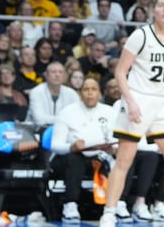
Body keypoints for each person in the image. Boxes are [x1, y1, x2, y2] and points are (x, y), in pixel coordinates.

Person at [100, 0, 164, 227]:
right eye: (160, 5)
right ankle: (109, 212)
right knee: (124, 160)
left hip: (162, 102)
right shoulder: (140, 35)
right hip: (138, 99)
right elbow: (120, 72)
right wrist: (129, 101)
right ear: (153, 10)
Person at [50, 76, 117, 222]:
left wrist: (114, 148)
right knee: (75, 159)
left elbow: (115, 139)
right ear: (80, 93)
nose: (90, 93)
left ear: (99, 93)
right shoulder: (67, 112)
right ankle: (70, 205)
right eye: (86, 89)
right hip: (68, 157)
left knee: (123, 159)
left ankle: (117, 205)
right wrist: (71, 147)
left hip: (99, 156)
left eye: (93, 89)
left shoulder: (110, 112)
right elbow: (55, 145)